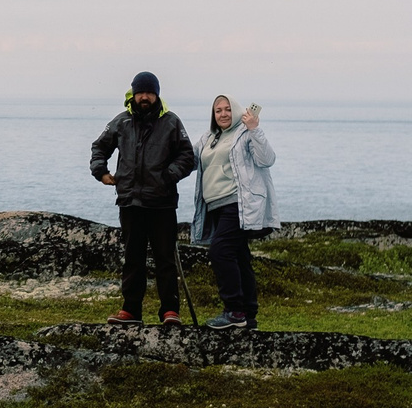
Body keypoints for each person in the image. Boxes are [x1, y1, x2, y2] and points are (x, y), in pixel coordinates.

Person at [89, 71, 197, 325]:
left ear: (157, 95)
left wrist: (168, 175)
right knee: (133, 258)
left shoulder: (171, 122)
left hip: (162, 203)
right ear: (134, 94)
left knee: (165, 259)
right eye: (141, 92)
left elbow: (187, 156)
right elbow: (99, 147)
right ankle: (131, 311)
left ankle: (170, 311)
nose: (145, 97)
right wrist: (101, 172)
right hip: (130, 202)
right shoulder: (121, 121)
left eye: (149, 92)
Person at [193, 95, 276, 331]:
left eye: (228, 109)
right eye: (218, 110)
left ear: (237, 111)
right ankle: (248, 315)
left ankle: (234, 311)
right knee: (239, 256)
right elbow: (189, 159)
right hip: (215, 206)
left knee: (220, 251)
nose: (223, 114)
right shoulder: (208, 138)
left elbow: (267, 159)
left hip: (237, 203)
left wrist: (255, 129)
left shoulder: (245, 133)